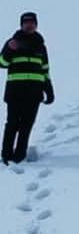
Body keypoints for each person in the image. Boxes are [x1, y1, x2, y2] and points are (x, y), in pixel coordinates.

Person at [1, 11, 54, 166]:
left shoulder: (41, 46)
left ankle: (19, 156)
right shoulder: (13, 42)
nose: (29, 24)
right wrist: (9, 50)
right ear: (21, 24)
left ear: (36, 25)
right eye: (26, 22)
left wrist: (49, 89)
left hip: (34, 93)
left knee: (26, 125)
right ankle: (6, 156)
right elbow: (2, 63)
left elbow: (45, 69)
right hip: (15, 92)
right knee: (12, 124)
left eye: (32, 22)